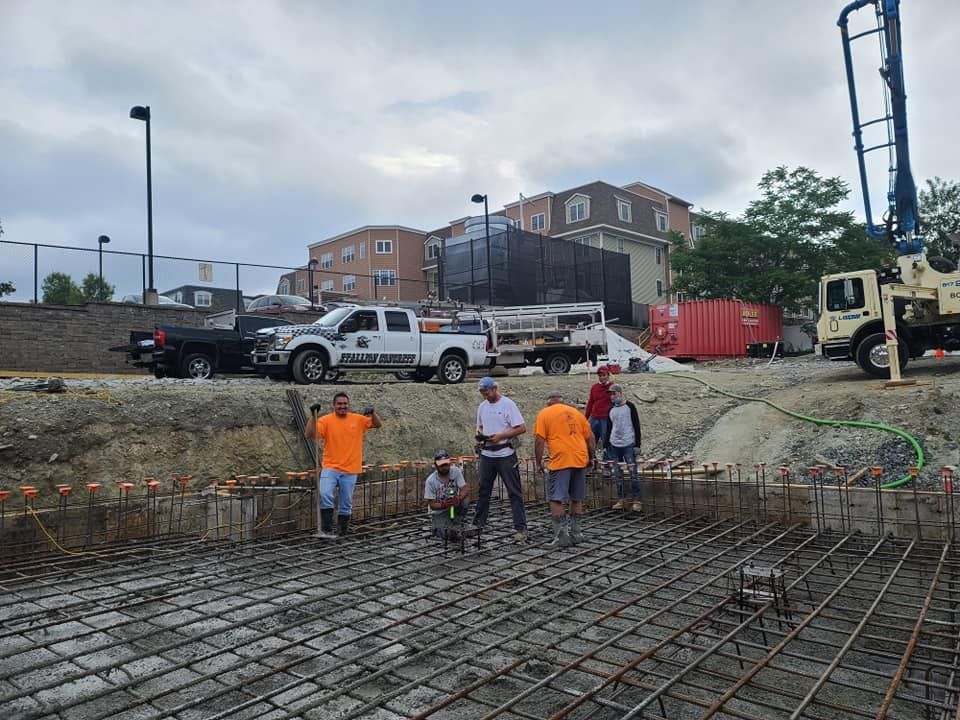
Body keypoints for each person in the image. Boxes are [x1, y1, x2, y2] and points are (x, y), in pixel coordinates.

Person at [306, 392, 382, 538]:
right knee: (325, 493)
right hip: (331, 467)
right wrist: (313, 416)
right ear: (334, 405)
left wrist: (373, 413)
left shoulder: (357, 419)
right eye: (339, 404)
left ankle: (342, 531)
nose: (342, 406)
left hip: (351, 469)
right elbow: (309, 434)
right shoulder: (326, 420)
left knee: (346, 502)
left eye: (345, 404)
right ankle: (327, 529)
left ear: (348, 404)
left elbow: (377, 424)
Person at [534, 389, 595, 547]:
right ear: (562, 401)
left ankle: (562, 536)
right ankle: (577, 533)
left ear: (549, 402)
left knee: (555, 498)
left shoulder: (545, 413)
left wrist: (539, 462)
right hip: (580, 458)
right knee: (576, 497)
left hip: (561, 460)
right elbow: (590, 437)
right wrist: (591, 457)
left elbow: (539, 441)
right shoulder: (575, 412)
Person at [473, 376, 529, 542]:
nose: (485, 395)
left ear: (494, 389)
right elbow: (480, 426)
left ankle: (521, 528)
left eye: (487, 391)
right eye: (482, 392)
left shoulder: (507, 405)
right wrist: (480, 435)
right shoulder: (482, 407)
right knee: (484, 491)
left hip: (505, 454)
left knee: (514, 492)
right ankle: (478, 524)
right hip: (487, 454)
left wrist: (501, 436)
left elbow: (522, 427)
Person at [604, 383, 643, 512]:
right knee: (618, 474)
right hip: (614, 444)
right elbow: (609, 428)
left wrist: (637, 444)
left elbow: (636, 425)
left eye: (614, 394)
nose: (612, 397)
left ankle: (637, 501)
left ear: (620, 393)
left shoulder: (630, 407)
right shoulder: (611, 409)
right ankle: (621, 499)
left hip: (628, 443)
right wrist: (606, 445)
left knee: (633, 473)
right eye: (610, 395)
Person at [423, 450, 471, 540]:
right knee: (445, 535)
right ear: (436, 465)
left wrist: (459, 498)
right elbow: (432, 505)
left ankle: (459, 520)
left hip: (453, 507)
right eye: (442, 465)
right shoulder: (430, 481)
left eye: (446, 464)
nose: (445, 467)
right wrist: (444, 504)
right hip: (439, 512)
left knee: (465, 500)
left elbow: (464, 489)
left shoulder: (455, 471)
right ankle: (442, 526)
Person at [584, 365, 614, 456]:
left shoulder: (612, 387)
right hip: (594, 418)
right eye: (600, 376)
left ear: (608, 375)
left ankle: (608, 462)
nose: (602, 378)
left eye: (604, 375)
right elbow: (590, 402)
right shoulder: (594, 387)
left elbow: (616, 403)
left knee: (606, 440)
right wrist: (585, 418)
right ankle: (591, 460)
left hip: (606, 418)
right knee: (590, 440)